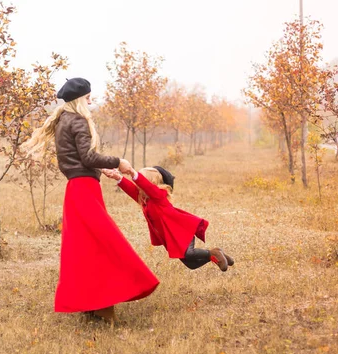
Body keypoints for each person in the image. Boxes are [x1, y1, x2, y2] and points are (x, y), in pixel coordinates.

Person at [23, 77, 159, 323]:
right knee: (105, 245)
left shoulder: (64, 120)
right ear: (80, 100)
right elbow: (87, 156)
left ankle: (93, 305)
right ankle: (104, 306)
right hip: (84, 190)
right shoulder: (78, 120)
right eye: (88, 96)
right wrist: (119, 162)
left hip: (76, 188)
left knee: (84, 248)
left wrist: (100, 170)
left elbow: (78, 158)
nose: (91, 100)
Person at [101, 165, 234, 271]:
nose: (137, 183)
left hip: (181, 231)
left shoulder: (159, 196)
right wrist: (117, 177)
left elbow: (147, 187)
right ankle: (214, 255)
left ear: (151, 183)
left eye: (142, 178)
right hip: (171, 237)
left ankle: (214, 252)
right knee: (191, 265)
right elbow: (131, 189)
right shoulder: (144, 199)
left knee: (189, 254)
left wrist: (131, 172)